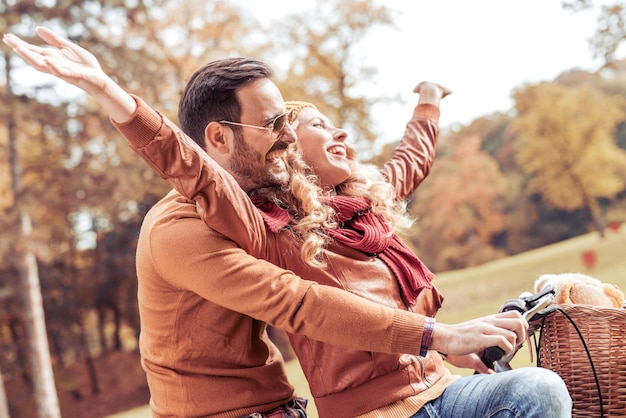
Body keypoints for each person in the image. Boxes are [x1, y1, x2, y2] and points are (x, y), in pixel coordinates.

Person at [3, 27, 571, 418]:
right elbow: (293, 298)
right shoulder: (239, 228)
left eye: (292, 122)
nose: (291, 134)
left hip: (295, 405)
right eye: (279, 124)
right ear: (221, 138)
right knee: (538, 391)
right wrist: (112, 96)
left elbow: (406, 164)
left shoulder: (331, 209)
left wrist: (427, 102)